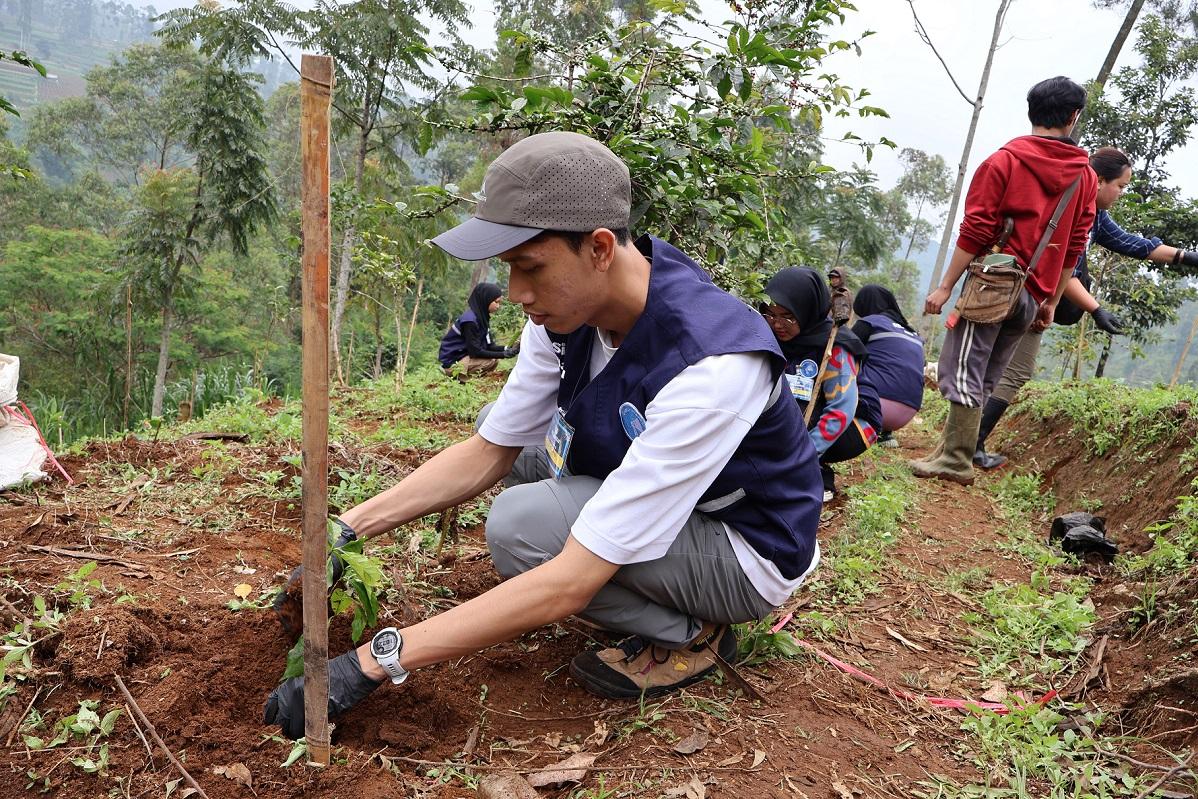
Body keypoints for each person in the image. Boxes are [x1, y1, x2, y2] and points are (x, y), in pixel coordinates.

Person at [263, 132, 824, 739]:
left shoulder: (711, 365)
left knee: (520, 527)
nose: (518, 295)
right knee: (529, 459)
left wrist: (369, 664)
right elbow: (488, 452)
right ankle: (667, 605)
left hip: (745, 551)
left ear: (600, 248)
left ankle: (691, 632)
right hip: (680, 511)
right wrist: (347, 528)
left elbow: (570, 582)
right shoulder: (567, 317)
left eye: (530, 268)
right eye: (510, 270)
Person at [911, 76, 1097, 485]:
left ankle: (956, 460)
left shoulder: (1003, 162)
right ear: (1072, 117)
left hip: (992, 285)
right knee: (990, 369)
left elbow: (976, 230)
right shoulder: (1084, 178)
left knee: (962, 366)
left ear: (1031, 111)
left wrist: (945, 286)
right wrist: (1048, 300)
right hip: (1033, 292)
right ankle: (950, 449)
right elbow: (1074, 245)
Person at [973, 146, 1198, 468]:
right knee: (1012, 371)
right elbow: (1065, 273)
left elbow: (1134, 244)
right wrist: (1095, 309)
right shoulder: (1075, 212)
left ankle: (965, 442)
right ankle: (971, 444)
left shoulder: (1093, 214)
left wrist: (1185, 257)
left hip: (1011, 291)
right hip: (1027, 297)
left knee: (991, 366)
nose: (1121, 193)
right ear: (1100, 180)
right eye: (1120, 186)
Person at [761, 267, 882, 503]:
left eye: (788, 316)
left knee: (796, 414)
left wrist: (800, 458)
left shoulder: (836, 347)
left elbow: (841, 409)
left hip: (854, 424)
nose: (777, 324)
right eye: (770, 314)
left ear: (806, 311)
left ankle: (812, 473)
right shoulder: (770, 337)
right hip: (808, 409)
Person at [851, 285, 925, 444]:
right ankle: (886, 434)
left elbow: (843, 350)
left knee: (844, 360)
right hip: (908, 413)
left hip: (873, 407)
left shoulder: (869, 323)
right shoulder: (914, 333)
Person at [437, 282, 518, 376]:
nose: (498, 306)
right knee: (490, 361)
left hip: (463, 356)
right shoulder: (470, 321)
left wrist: (507, 349)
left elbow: (490, 346)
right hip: (453, 361)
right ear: (486, 300)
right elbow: (475, 352)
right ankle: (454, 375)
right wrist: (503, 354)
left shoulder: (482, 319)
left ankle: (469, 379)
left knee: (494, 360)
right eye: (496, 302)